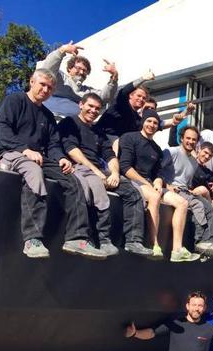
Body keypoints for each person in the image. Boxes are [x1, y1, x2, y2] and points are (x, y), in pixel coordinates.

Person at [0, 68, 105, 259]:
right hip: (8, 152)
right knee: (34, 172)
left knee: (73, 178)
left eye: (50, 87)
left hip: (39, 157)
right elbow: (2, 130)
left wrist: (61, 158)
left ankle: (76, 238)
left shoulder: (48, 116)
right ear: (32, 82)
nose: (46, 90)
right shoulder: (15, 100)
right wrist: (24, 149)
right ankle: (32, 239)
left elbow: (53, 144)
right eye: (42, 84)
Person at [58, 92, 152, 257]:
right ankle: (103, 240)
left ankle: (133, 241)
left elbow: (110, 156)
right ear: (81, 104)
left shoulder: (98, 131)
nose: (93, 111)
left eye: (97, 109)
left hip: (101, 171)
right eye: (90, 106)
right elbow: (72, 150)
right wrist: (97, 173)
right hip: (79, 167)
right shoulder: (69, 122)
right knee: (99, 195)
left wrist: (114, 173)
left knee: (133, 192)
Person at [118, 108, 199, 262]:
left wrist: (157, 181)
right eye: (149, 121)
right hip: (133, 181)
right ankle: (153, 244)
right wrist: (146, 183)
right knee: (155, 196)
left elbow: (158, 172)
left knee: (182, 203)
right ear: (143, 122)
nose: (152, 124)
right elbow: (125, 167)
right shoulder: (130, 138)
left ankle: (177, 250)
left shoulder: (156, 148)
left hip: (150, 184)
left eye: (155, 122)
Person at [161, 126, 213, 259]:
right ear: (181, 138)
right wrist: (166, 185)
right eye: (188, 138)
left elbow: (186, 182)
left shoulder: (194, 162)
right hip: (170, 190)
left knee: (210, 207)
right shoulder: (171, 152)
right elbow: (157, 171)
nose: (190, 141)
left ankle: (209, 242)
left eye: (194, 139)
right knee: (198, 206)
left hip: (184, 191)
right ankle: (199, 242)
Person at [36, 41, 118, 118]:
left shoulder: (86, 91)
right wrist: (62, 50)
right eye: (78, 68)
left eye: (85, 70)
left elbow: (104, 97)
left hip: (71, 126)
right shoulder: (60, 78)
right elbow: (47, 70)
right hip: (50, 117)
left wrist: (114, 77)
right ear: (69, 69)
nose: (81, 72)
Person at [95, 70, 155, 150]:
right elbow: (124, 91)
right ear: (130, 95)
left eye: (144, 98)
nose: (141, 99)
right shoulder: (122, 104)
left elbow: (155, 124)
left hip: (119, 148)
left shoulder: (137, 119)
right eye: (139, 96)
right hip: (101, 139)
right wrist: (143, 78)